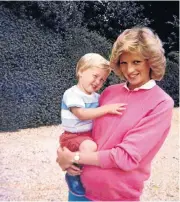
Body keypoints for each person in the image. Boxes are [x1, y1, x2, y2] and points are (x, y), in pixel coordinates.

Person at [56, 27, 174, 201]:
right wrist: (63, 155)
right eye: (124, 62)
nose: (129, 70)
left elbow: (125, 157)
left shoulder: (161, 103)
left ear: (151, 61)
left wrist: (75, 156)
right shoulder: (109, 92)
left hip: (115, 196)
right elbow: (81, 128)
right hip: (80, 192)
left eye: (136, 62)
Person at [59, 53, 126, 196]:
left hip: (86, 135)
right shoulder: (72, 94)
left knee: (93, 147)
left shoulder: (97, 97)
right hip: (72, 136)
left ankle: (85, 171)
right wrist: (106, 109)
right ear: (81, 71)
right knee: (90, 146)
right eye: (95, 76)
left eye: (102, 80)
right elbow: (81, 114)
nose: (98, 82)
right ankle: (74, 175)